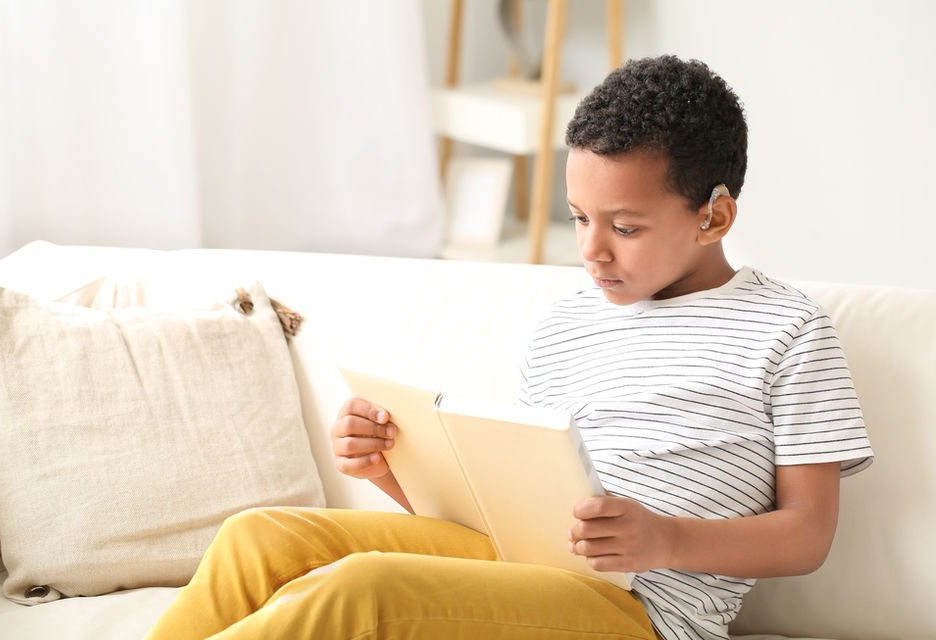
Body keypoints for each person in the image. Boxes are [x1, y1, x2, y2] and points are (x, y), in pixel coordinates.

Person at [145, 55, 873, 640]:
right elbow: (505, 517)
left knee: (362, 594)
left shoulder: (787, 330)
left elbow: (807, 535)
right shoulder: (565, 324)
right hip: (520, 567)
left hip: (643, 614)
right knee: (259, 537)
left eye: (624, 227)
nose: (591, 251)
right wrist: (392, 471)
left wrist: (664, 541)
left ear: (714, 216)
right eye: (579, 216)